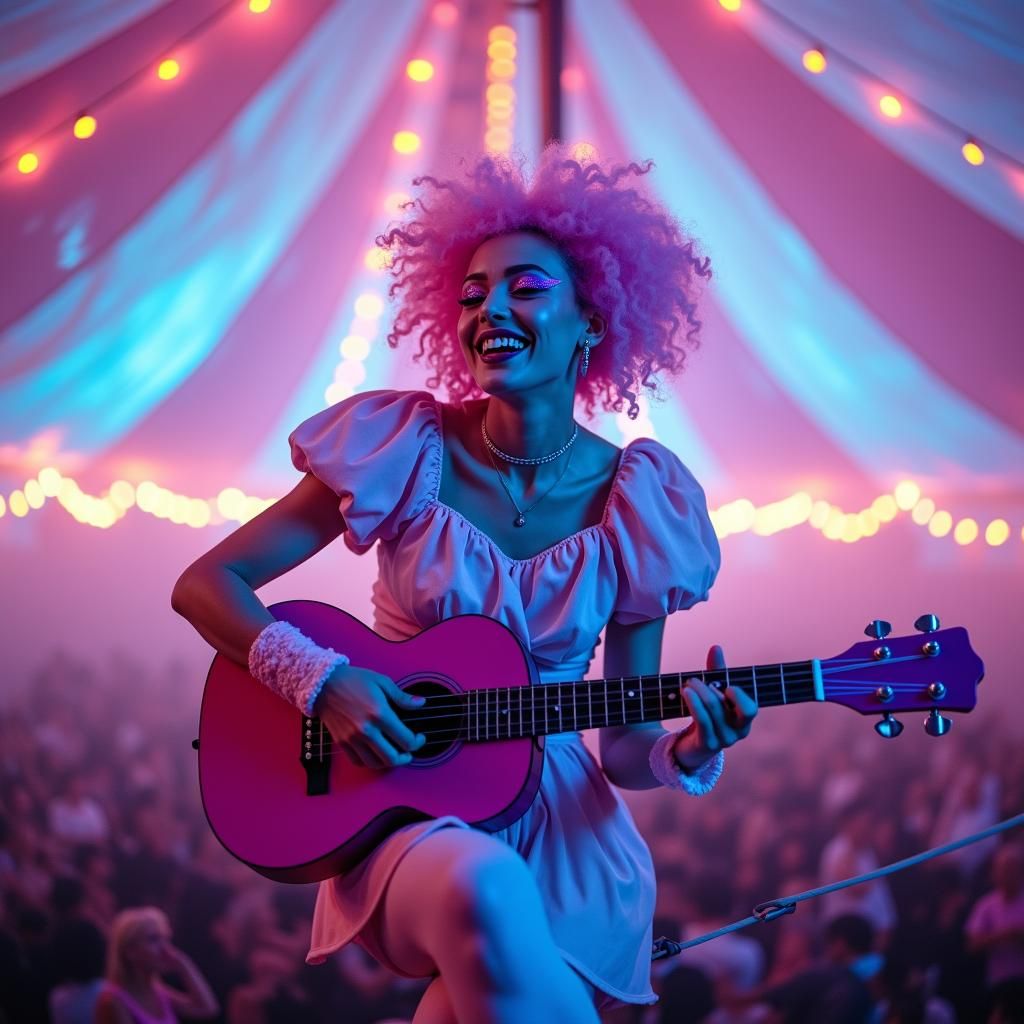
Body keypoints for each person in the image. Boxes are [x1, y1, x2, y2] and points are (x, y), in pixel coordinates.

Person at [172, 143, 759, 1023]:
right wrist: (324, 683)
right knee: (482, 888)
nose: (491, 309)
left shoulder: (645, 501)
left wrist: (689, 749)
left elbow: (626, 749)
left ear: (592, 319)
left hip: (569, 843)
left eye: (526, 287)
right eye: (473, 293)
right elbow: (204, 584)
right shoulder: (402, 449)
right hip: (403, 812)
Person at [94, 906, 219, 1023]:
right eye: (153, 939)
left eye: (165, 939)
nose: (166, 949)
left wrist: (184, 964)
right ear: (130, 951)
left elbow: (208, 1009)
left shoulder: (159, 993)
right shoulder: (113, 1002)